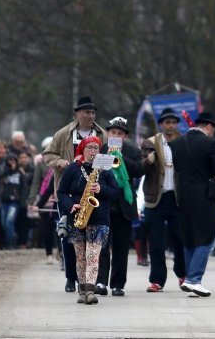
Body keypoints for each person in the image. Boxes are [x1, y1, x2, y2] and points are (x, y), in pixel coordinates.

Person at [43, 95, 107, 292]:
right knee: (70, 238)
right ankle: (71, 278)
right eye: (86, 112)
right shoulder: (63, 134)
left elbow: (109, 158)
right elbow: (47, 155)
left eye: (93, 112)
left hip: (94, 191)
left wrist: (104, 180)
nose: (90, 115)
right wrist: (60, 162)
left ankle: (94, 281)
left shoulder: (101, 133)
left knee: (96, 241)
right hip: (68, 192)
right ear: (77, 113)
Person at [169, 111, 215, 297]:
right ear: (209, 127)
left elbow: (178, 168)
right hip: (204, 196)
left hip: (183, 195)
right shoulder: (210, 143)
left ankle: (191, 279)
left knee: (189, 238)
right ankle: (193, 279)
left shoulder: (177, 143)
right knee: (208, 235)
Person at [58, 136, 118, 305]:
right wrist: (71, 205)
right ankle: (82, 289)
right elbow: (61, 192)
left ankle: (90, 291)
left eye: (96, 148)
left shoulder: (105, 169)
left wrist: (101, 189)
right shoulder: (73, 169)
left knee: (93, 256)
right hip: (78, 217)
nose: (93, 151)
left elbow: (115, 193)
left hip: (99, 217)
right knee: (80, 256)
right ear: (82, 150)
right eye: (89, 148)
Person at [95, 116, 144, 297]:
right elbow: (96, 172)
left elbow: (139, 170)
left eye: (120, 133)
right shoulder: (102, 149)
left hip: (124, 205)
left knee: (121, 248)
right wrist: (108, 157)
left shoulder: (132, 150)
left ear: (125, 136)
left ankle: (117, 284)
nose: (116, 135)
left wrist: (121, 157)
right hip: (104, 204)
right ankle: (101, 281)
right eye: (113, 132)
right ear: (108, 134)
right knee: (101, 246)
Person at [141, 107, 186, 292]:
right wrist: (148, 161)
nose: (171, 126)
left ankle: (183, 275)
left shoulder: (183, 143)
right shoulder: (150, 143)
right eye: (167, 122)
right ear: (161, 125)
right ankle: (157, 280)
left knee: (180, 240)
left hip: (176, 198)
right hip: (155, 198)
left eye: (174, 122)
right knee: (156, 242)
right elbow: (139, 168)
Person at [28, 151, 58, 264]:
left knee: (61, 229)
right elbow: (36, 184)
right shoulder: (41, 165)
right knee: (47, 229)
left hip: (59, 201)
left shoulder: (65, 166)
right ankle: (49, 254)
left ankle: (61, 254)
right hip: (45, 200)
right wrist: (35, 203)